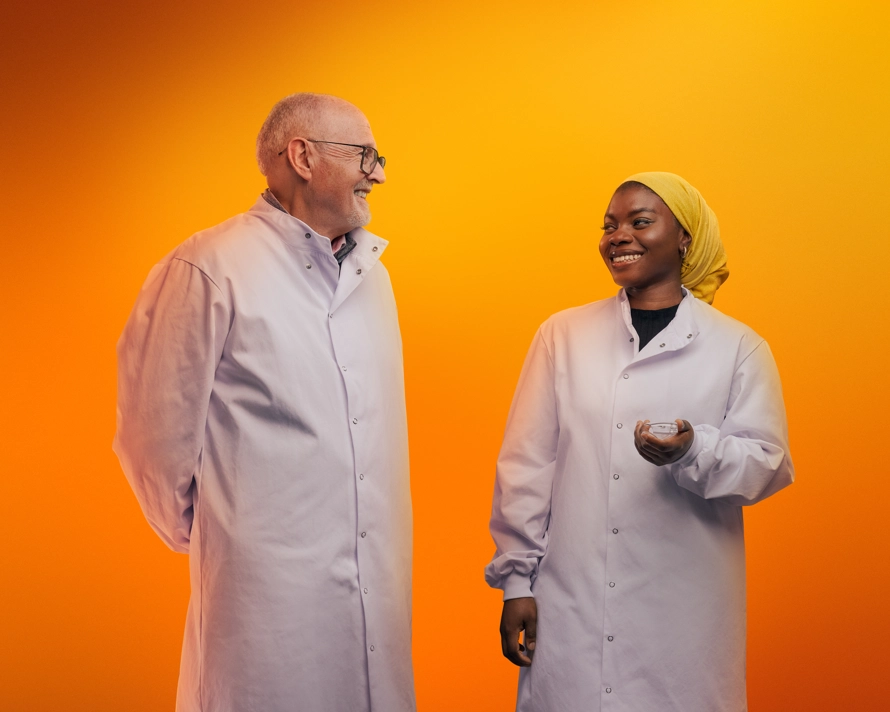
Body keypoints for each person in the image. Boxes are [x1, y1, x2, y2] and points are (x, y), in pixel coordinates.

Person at [114, 93, 414, 712]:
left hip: (373, 582)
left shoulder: (373, 275)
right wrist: (231, 535)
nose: (378, 173)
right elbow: (154, 438)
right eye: (365, 155)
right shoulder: (210, 267)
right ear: (302, 156)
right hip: (262, 594)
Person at [485, 172, 794, 712]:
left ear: (685, 239)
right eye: (609, 225)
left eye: (640, 221)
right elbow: (527, 465)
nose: (618, 236)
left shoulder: (738, 347)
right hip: (569, 599)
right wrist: (517, 583)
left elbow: (767, 463)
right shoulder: (563, 335)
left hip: (683, 616)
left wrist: (694, 449)